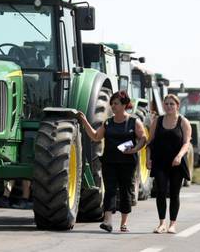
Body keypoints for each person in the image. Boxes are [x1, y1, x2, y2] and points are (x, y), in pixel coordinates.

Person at [78, 90, 147, 233]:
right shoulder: (108, 123)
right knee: (109, 190)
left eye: (116, 103)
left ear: (124, 105)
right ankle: (107, 221)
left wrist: (135, 150)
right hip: (109, 161)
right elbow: (96, 137)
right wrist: (84, 121)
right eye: (112, 103)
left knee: (125, 191)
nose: (113, 106)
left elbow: (143, 139)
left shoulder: (134, 122)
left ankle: (124, 223)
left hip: (127, 162)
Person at [147, 94, 192, 234]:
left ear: (177, 106)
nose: (169, 106)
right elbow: (150, 142)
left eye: (172, 104)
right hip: (160, 161)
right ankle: (161, 223)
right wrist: (148, 159)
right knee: (160, 191)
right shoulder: (157, 121)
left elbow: (186, 143)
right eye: (166, 104)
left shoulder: (183, 122)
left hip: (176, 163)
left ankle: (172, 224)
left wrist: (179, 156)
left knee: (174, 193)